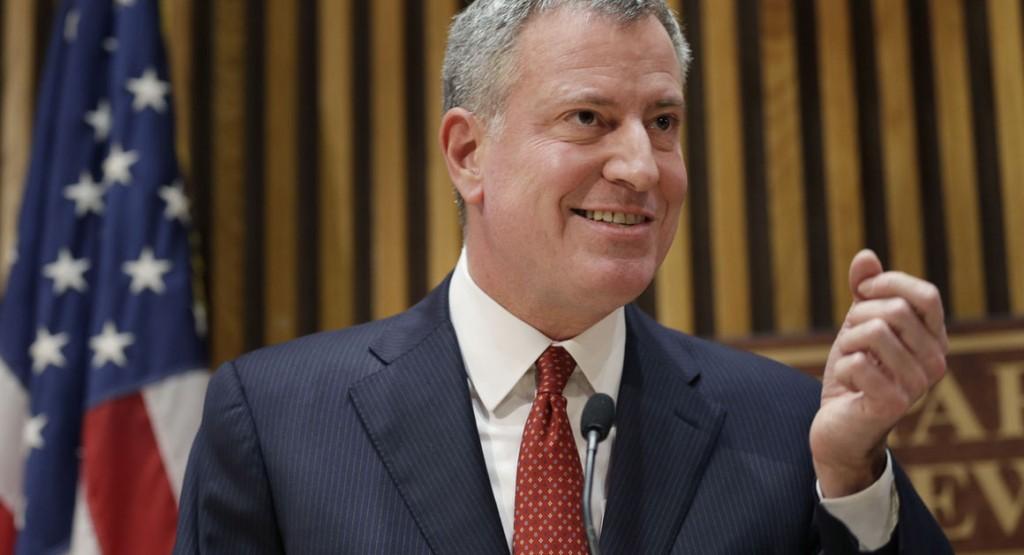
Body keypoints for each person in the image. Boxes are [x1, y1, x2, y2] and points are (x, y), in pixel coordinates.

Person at [174, 1, 952, 553]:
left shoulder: (787, 430)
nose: (642, 167)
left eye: (663, 122)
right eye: (589, 119)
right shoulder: (278, 424)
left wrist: (852, 476)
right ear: (469, 153)